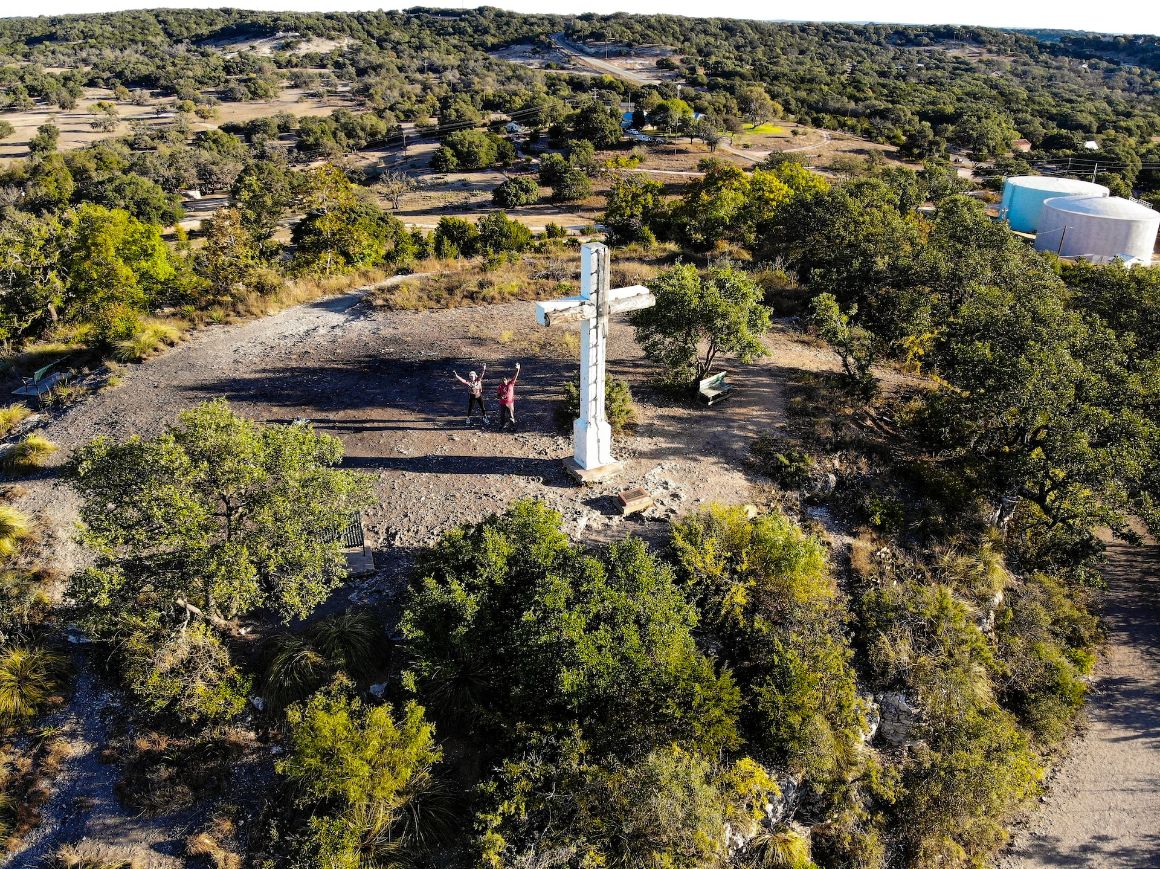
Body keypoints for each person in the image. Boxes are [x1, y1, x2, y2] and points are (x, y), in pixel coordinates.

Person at [496, 362, 521, 431]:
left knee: (511, 415)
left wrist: (518, 369)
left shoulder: (511, 384)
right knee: (502, 415)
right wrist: (500, 397)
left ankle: (512, 426)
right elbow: (498, 395)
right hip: (502, 403)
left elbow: (515, 376)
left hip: (510, 403)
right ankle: (502, 425)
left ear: (507, 380)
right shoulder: (500, 386)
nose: (504, 381)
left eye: (505, 380)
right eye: (502, 380)